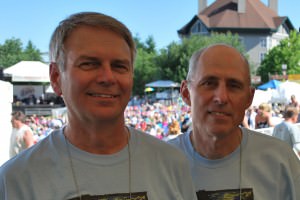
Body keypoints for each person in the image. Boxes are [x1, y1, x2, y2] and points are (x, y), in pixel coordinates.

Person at [0, 12, 197, 200]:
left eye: (119, 66)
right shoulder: (15, 179)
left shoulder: (172, 164)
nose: (107, 77)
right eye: (89, 64)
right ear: (56, 77)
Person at [168, 44, 300, 199]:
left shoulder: (280, 162)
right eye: (209, 83)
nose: (221, 97)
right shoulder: (161, 163)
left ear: (249, 98)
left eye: (234, 86)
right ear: (186, 92)